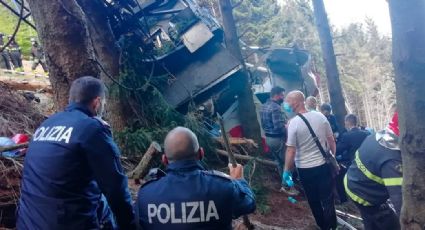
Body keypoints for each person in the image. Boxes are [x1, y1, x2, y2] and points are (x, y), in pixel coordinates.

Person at [17, 76, 136, 230]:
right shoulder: (92, 128)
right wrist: (130, 225)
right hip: (64, 223)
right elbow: (115, 188)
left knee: (101, 202)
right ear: (97, 102)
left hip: (28, 222)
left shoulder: (46, 124)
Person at [135, 127, 256, 229]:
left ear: (164, 160)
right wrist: (238, 180)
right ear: (201, 154)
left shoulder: (146, 195)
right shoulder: (223, 187)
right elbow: (249, 204)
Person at [283, 91, 337, 230]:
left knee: (314, 200)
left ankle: (322, 226)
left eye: (287, 101)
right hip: (323, 165)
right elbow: (331, 140)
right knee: (327, 199)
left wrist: (286, 171)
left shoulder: (293, 124)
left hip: (305, 169)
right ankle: (332, 226)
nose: (286, 104)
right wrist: (332, 156)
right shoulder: (320, 117)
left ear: (296, 102)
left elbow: (291, 150)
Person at [344, 112, 402, 230]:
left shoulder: (377, 136)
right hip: (364, 194)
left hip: (353, 182)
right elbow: (401, 203)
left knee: (371, 222)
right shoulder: (392, 161)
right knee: (391, 225)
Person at [259, 86, 297, 195]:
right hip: (277, 139)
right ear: (277, 95)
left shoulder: (263, 106)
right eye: (282, 95)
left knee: (280, 163)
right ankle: (288, 187)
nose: (283, 98)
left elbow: (263, 124)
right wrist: (288, 125)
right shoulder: (275, 108)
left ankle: (285, 184)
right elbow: (278, 127)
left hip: (269, 139)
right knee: (288, 164)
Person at [335, 114, 370, 203]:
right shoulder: (367, 133)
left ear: (347, 122)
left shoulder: (347, 136)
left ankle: (344, 201)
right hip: (369, 164)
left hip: (355, 165)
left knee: (338, 175)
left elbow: (338, 150)